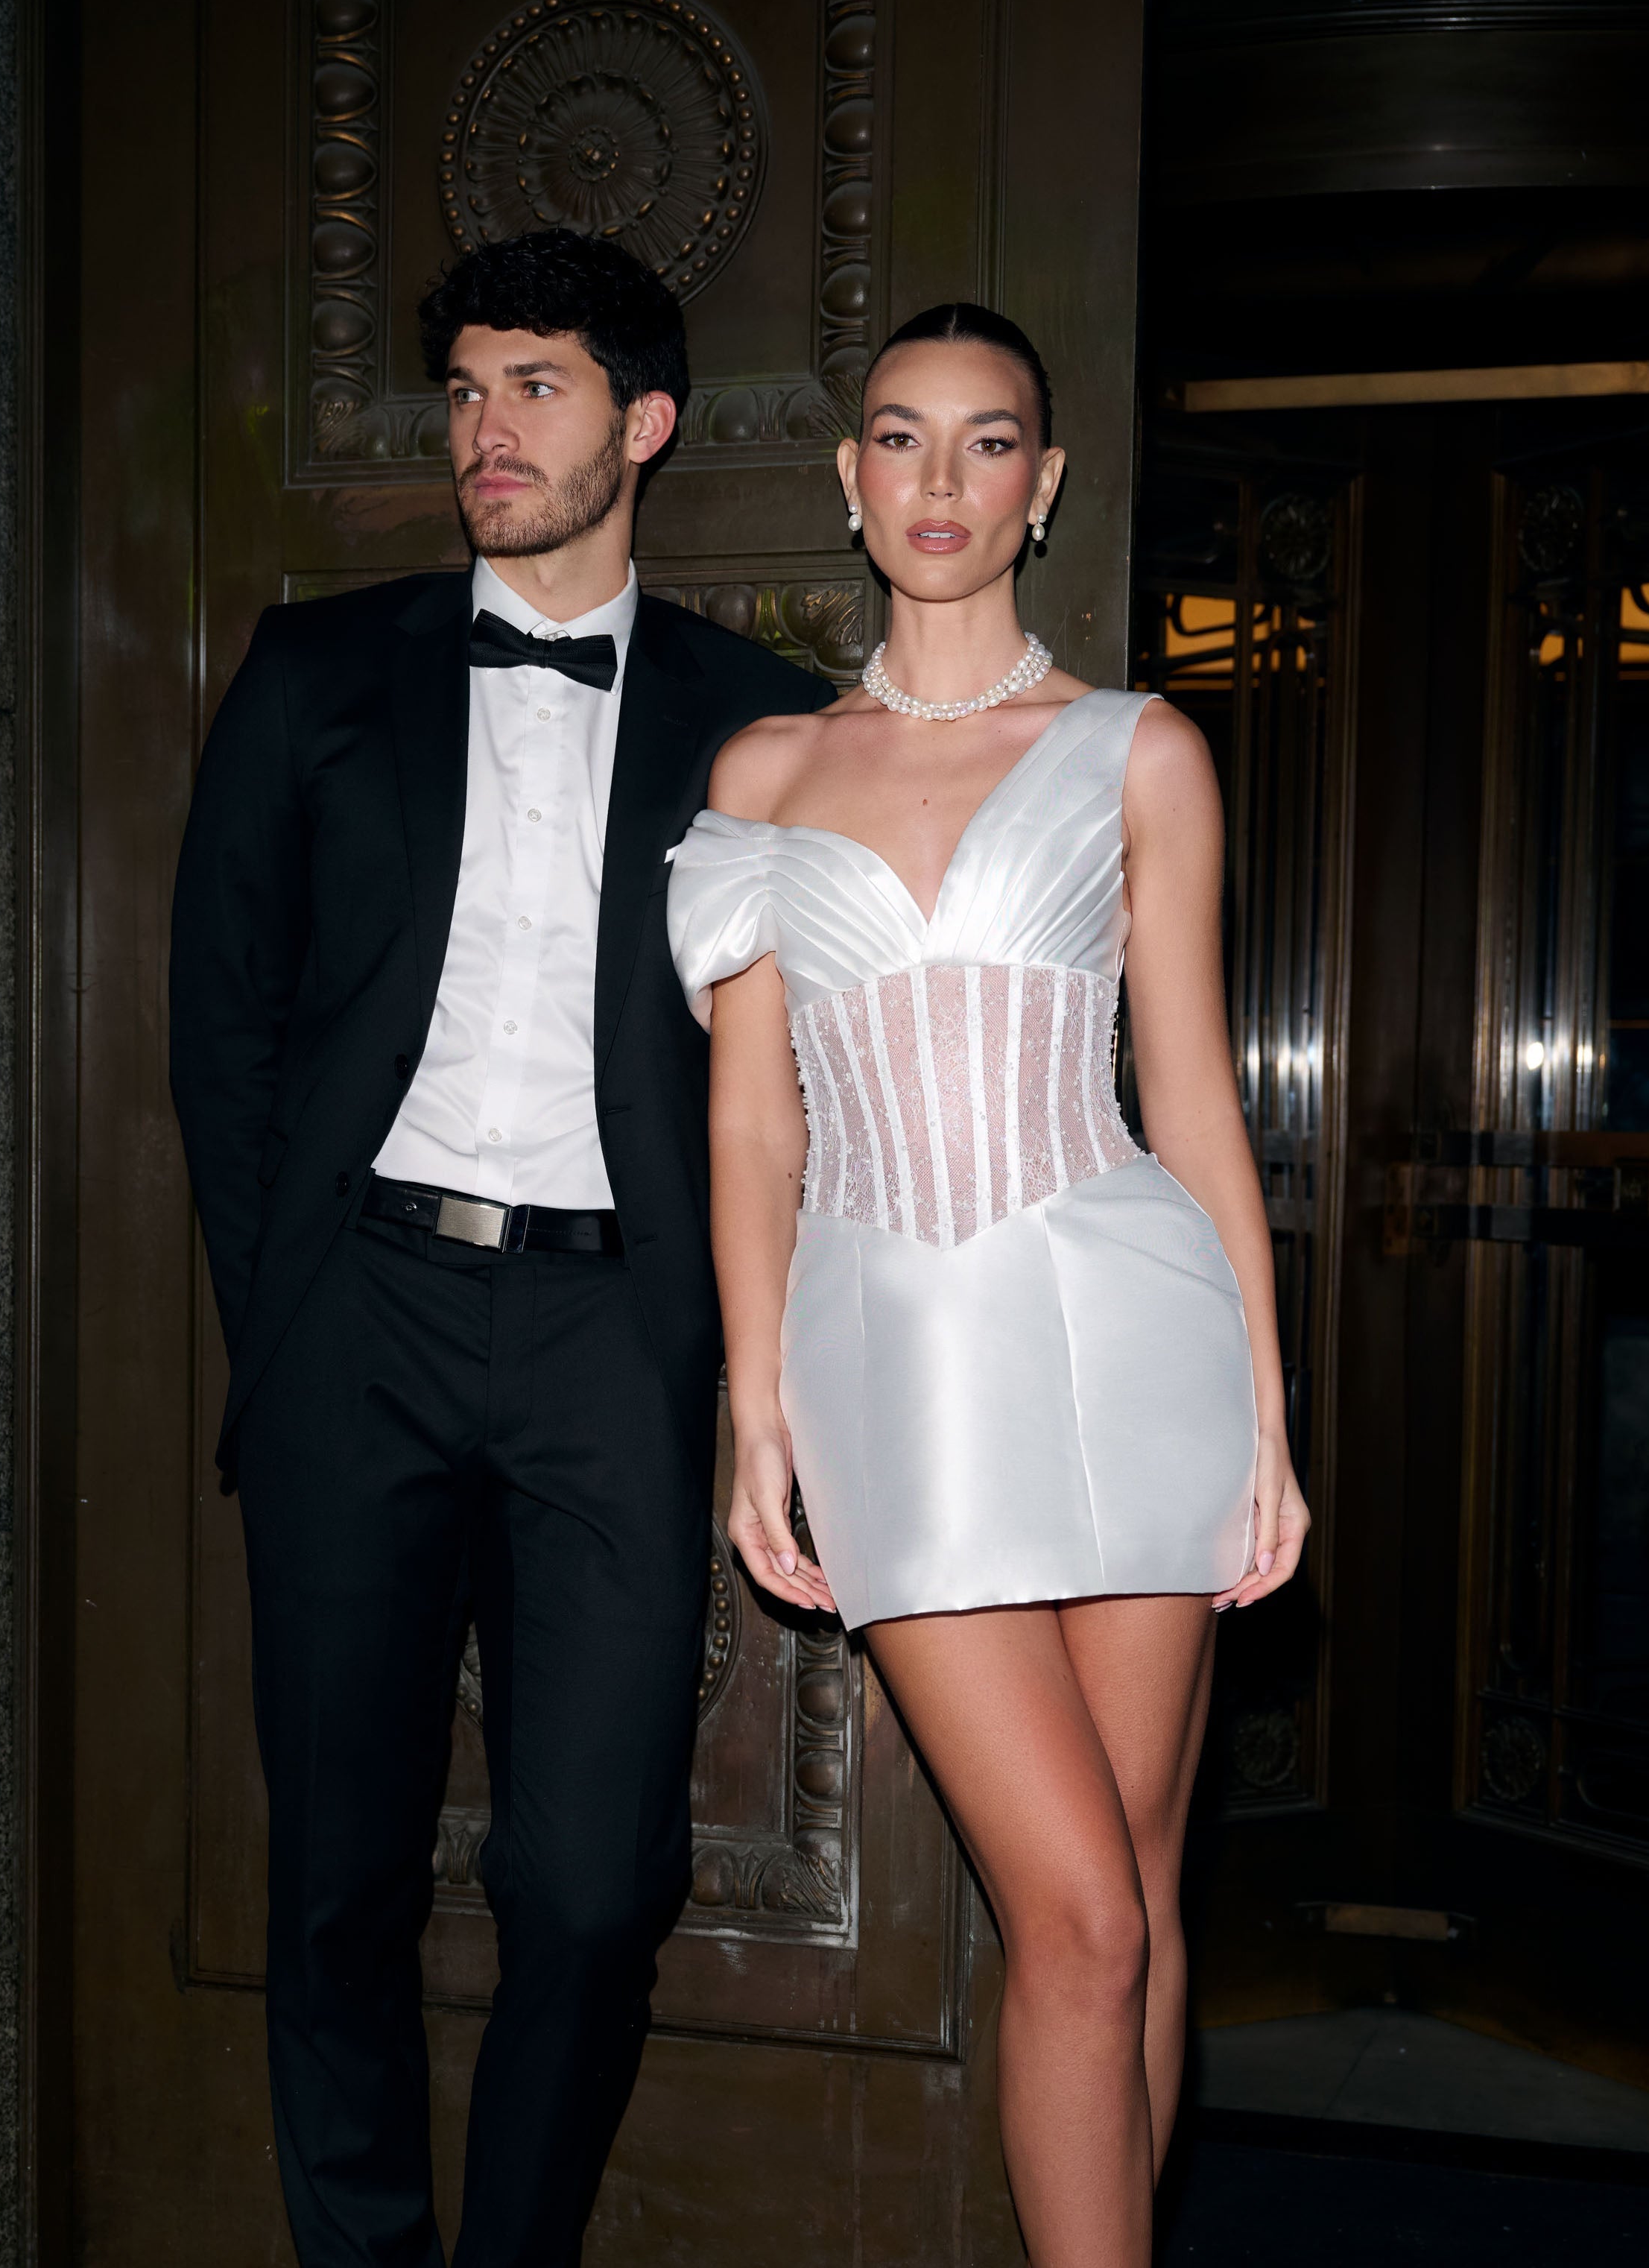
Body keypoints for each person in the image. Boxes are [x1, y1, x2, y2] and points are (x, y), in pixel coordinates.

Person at [169, 230, 826, 2267]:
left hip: (612, 1338)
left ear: (642, 425)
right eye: (462, 390)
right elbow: (225, 1025)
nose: (483, 428)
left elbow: (809, 1075)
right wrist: (280, 1327)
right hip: (354, 1314)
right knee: (342, 1873)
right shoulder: (313, 669)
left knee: (583, 1884)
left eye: (530, 387)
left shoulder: (762, 722)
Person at [666, 302, 1312, 2266]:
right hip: (897, 1369)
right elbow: (754, 1131)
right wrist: (750, 1405)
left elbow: (1194, 1103)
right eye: (900, 436)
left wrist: (1268, 1424)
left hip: (1139, 1341)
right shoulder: (766, 768)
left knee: (1133, 1902)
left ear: (1039, 488)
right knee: (1076, 1913)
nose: (940, 478)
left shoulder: (1139, 750)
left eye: (986, 441)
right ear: (852, 478)